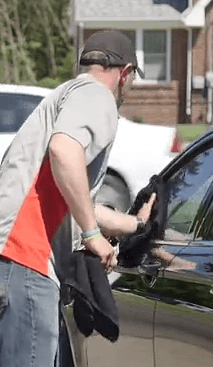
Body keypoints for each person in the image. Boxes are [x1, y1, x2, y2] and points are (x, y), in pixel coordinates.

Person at [0, 30, 155, 367]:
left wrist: (137, 223)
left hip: (12, 262)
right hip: (26, 259)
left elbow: (77, 198)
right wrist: (92, 235)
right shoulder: (96, 95)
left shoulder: (64, 96)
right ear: (125, 72)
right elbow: (64, 149)